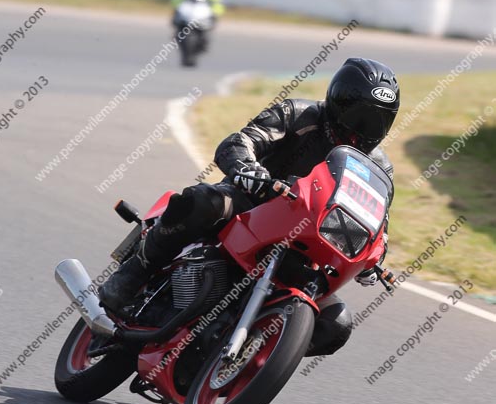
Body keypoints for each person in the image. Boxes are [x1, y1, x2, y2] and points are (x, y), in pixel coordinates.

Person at [99, 57, 400, 357]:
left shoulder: (379, 168)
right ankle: (132, 275)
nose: (360, 131)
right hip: (253, 204)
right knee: (203, 202)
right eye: (357, 117)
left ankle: (257, 356)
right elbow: (239, 142)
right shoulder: (299, 114)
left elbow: (378, 225)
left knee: (337, 324)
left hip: (310, 243)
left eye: (376, 122)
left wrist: (372, 256)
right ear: (337, 101)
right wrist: (251, 172)